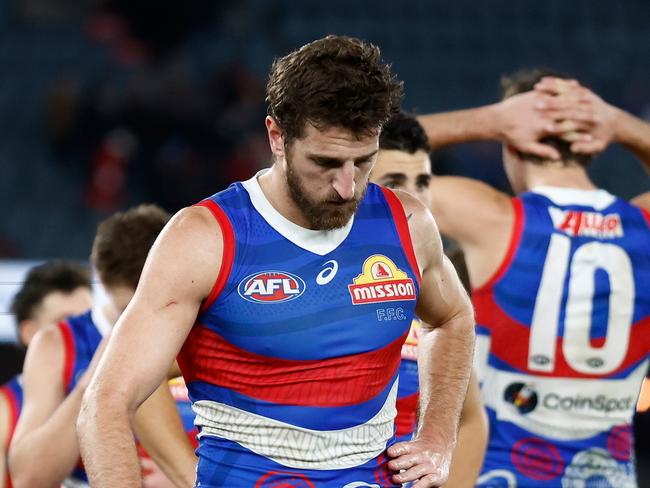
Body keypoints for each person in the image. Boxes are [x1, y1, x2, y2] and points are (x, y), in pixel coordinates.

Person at [78, 35, 475, 488]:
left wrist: (438, 437)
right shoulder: (205, 239)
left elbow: (453, 319)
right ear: (276, 136)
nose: (347, 186)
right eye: (325, 162)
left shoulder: (407, 223)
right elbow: (107, 401)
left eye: (363, 162)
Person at [414, 69, 650, 487]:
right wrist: (621, 126)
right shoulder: (641, 227)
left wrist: (488, 120)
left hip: (496, 473)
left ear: (513, 144)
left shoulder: (495, 220)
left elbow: (353, 158)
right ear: (590, 145)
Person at [9, 205, 197, 488]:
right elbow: (29, 478)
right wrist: (93, 383)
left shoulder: (200, 328)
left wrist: (188, 475)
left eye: (161, 306)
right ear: (103, 282)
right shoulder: (59, 342)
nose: (143, 320)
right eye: (127, 307)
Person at [371, 113, 488, 487]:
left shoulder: (437, 294)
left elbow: (469, 419)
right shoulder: (304, 276)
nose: (415, 198)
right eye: (394, 182)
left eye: (422, 182)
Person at [1, 261, 93, 488]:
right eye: (66, 324)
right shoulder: (5, 409)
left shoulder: (117, 389)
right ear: (30, 333)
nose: (81, 336)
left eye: (88, 321)